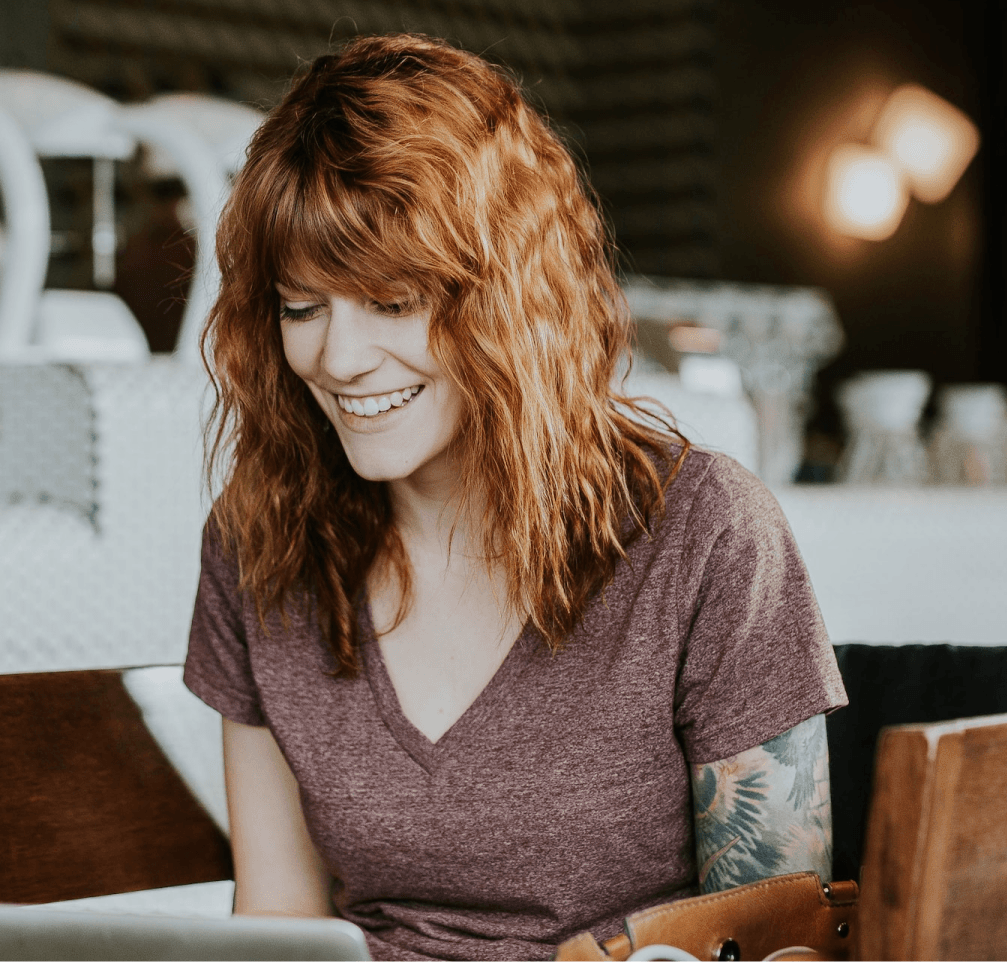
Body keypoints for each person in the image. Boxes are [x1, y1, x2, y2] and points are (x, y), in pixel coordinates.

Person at [181, 34, 847, 962]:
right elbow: (280, 924)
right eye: (303, 308)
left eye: (393, 301)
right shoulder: (259, 544)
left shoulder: (706, 535)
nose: (337, 360)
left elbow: (783, 943)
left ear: (509, 294)